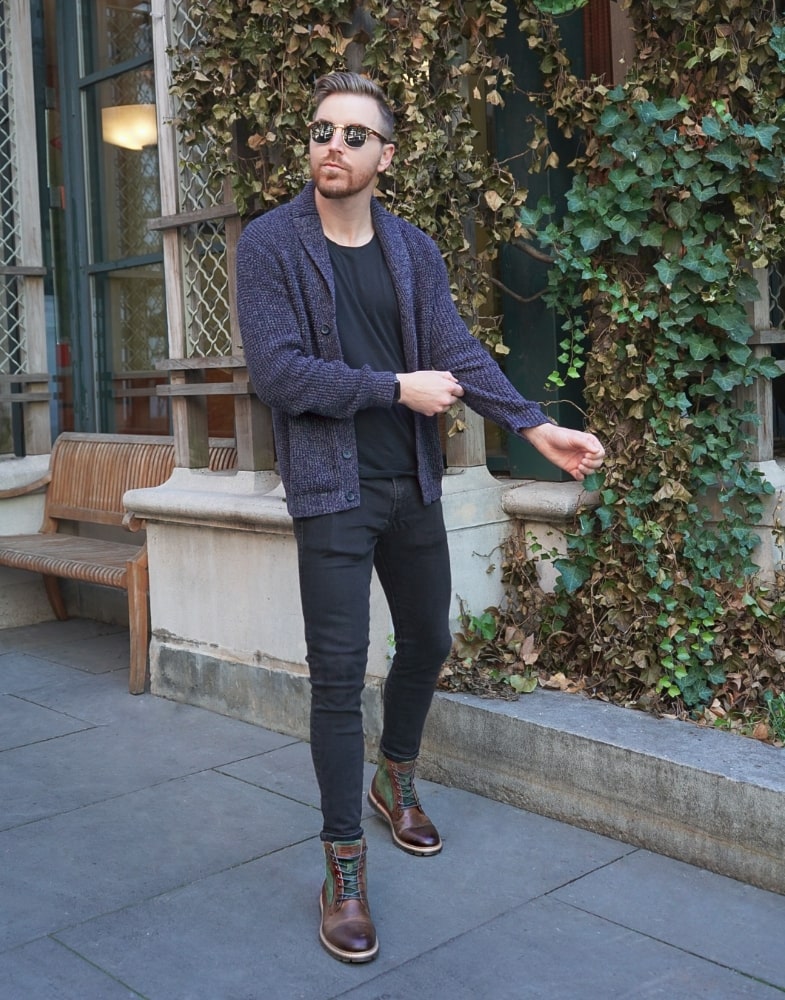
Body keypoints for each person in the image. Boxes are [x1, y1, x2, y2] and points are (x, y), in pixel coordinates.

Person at [236, 71, 605, 964]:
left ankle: (393, 777)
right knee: (334, 678)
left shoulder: (411, 251)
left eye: (354, 135)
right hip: (332, 491)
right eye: (321, 129)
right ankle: (344, 869)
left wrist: (533, 424)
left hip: (409, 483)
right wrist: (391, 388)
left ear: (384, 157)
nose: (332, 145)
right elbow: (278, 375)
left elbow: (454, 351)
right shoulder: (269, 245)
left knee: (429, 642)